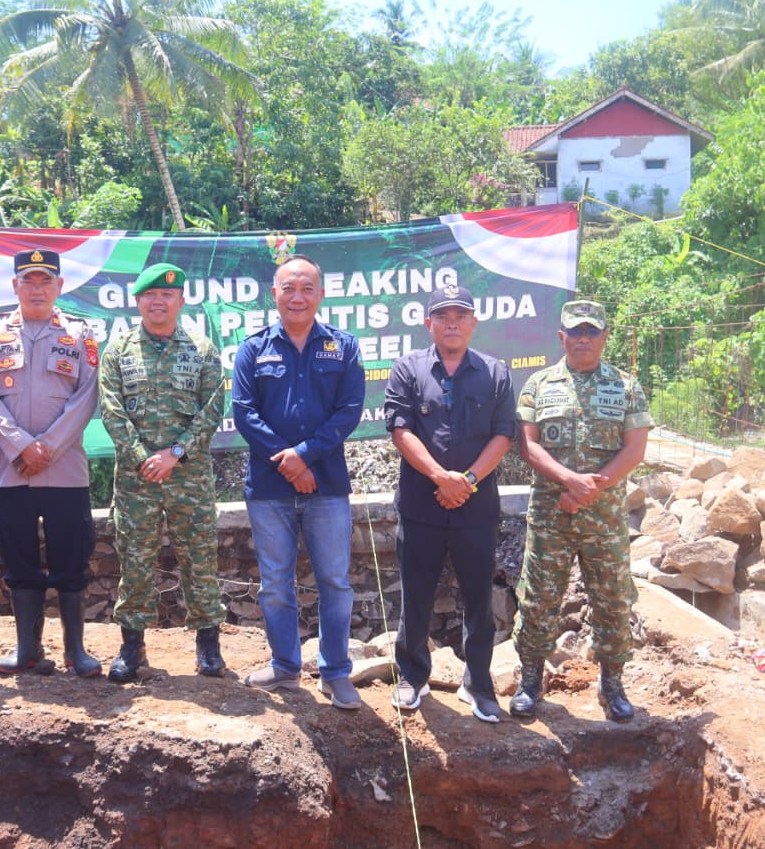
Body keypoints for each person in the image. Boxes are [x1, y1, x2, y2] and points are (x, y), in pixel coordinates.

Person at [232, 254, 366, 710]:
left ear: (321, 294)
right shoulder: (253, 349)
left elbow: (349, 411)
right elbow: (244, 413)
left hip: (327, 486)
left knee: (335, 582)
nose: (298, 296)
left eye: (307, 288)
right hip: (269, 488)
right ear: (274, 294)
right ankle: (285, 665)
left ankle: (335, 672)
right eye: (289, 288)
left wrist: (305, 455)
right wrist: (288, 462)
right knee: (275, 584)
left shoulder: (343, 347)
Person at [512, 300, 652, 722]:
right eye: (576, 331)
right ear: (562, 337)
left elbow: (635, 450)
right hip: (551, 516)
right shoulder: (538, 384)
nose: (584, 338)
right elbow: (528, 445)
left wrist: (589, 489)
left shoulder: (626, 387)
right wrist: (569, 481)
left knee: (612, 600)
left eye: (592, 331)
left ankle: (612, 685)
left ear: (605, 337)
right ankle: (530, 681)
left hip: (605, 519)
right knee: (538, 599)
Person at [383, 285, 515, 722]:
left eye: (461, 316)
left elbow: (504, 434)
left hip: (476, 510)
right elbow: (401, 429)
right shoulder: (408, 368)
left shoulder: (495, 373)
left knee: (478, 600)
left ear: (474, 322)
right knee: (415, 596)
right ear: (429, 324)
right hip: (421, 506)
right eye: (443, 316)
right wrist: (441, 478)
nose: (452, 323)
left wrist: (468, 481)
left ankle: (478, 684)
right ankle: (411, 677)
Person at [0, 248, 103, 677]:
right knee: (19, 560)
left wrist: (45, 448)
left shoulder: (80, 334)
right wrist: (20, 447)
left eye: (45, 280)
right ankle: (27, 649)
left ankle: (75, 651)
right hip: (12, 472)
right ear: (15, 286)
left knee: (71, 559)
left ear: (60, 286)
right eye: (28, 280)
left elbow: (87, 397)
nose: (36, 288)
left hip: (65, 472)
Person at [98, 262, 227, 682]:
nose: (159, 301)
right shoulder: (118, 352)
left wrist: (174, 454)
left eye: (167, 295)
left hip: (190, 478)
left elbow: (212, 412)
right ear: (137, 301)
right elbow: (112, 412)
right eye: (151, 295)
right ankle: (132, 647)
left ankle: (208, 645)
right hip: (136, 482)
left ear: (181, 300)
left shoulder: (203, 351)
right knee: (135, 561)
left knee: (200, 560)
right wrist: (142, 457)